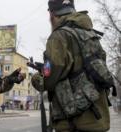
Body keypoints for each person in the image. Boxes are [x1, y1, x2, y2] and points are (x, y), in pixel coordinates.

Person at [31, 0, 113, 131]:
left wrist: (36, 78)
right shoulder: (90, 34)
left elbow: (48, 78)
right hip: (97, 119)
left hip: (75, 123)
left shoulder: (58, 36)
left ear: (52, 14)